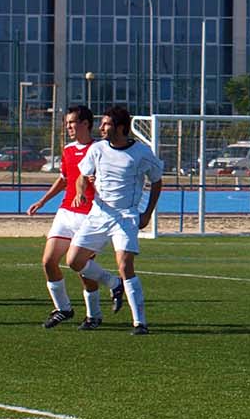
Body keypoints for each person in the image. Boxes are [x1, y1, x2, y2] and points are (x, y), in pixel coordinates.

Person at [65, 105, 165, 335]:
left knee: (125, 265)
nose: (101, 127)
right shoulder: (97, 149)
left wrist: (147, 213)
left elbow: (157, 180)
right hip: (99, 213)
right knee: (74, 261)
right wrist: (81, 191)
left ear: (120, 128)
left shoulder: (141, 153)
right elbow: (82, 176)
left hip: (126, 215)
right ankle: (113, 283)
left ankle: (140, 323)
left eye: (106, 124)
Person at [27, 105, 124, 330]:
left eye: (72, 122)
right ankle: (63, 308)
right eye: (67, 123)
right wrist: (42, 201)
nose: (69, 127)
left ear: (86, 124)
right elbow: (63, 179)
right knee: (48, 261)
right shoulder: (69, 149)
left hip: (90, 216)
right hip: (66, 212)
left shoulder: (101, 149)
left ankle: (94, 315)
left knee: (81, 267)